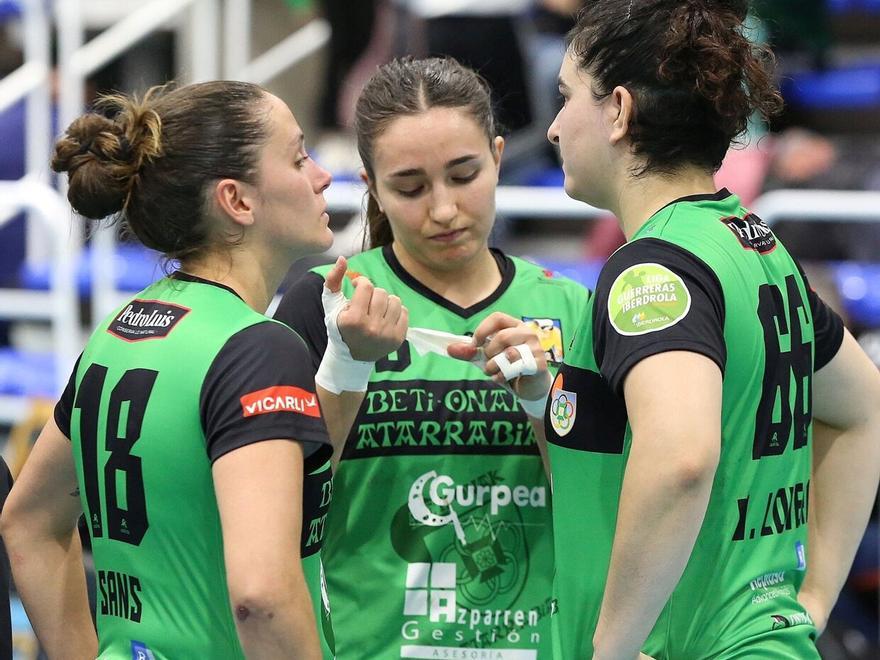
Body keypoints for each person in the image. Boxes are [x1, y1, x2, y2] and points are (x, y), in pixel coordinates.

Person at [543, 1, 880, 658]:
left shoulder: (652, 272)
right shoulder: (755, 246)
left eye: (567, 96)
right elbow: (864, 405)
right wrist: (810, 600)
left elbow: (682, 458)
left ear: (618, 110)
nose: (554, 127)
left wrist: (611, 649)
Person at [0, 81, 337, 659]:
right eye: (299, 157)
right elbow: (262, 597)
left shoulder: (117, 332)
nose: (323, 175)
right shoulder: (258, 349)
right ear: (237, 201)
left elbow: (29, 521)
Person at [274, 56, 589, 658]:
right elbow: (278, 509)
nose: (443, 210)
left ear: (498, 158)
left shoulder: (570, 308)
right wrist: (346, 367)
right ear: (371, 186)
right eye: (411, 188)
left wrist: (542, 404)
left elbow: (602, 511)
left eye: (464, 175)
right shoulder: (327, 302)